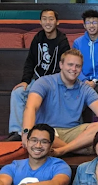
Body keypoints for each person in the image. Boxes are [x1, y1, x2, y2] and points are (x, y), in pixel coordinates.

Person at [22, 49, 98, 156]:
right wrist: (27, 132)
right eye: (70, 65)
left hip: (73, 132)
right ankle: (76, 149)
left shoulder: (85, 89)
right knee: (41, 136)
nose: (73, 69)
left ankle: (63, 150)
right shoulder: (44, 82)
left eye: (77, 66)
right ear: (61, 65)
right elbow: (31, 107)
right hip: (48, 131)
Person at [5, 9, 70, 141]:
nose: (48, 22)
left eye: (51, 19)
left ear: (57, 22)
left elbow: (64, 66)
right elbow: (30, 61)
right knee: (18, 92)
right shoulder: (38, 38)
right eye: (44, 19)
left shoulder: (62, 41)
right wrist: (25, 81)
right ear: (40, 22)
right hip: (37, 79)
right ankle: (17, 131)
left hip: (54, 81)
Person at [72, 9, 98, 107]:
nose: (91, 25)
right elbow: (74, 64)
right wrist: (84, 80)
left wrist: (95, 81)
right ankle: (77, 122)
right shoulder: (78, 43)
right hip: (82, 80)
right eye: (88, 23)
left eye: (95, 22)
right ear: (84, 25)